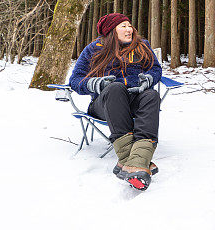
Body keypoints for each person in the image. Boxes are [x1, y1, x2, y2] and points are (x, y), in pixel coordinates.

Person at [69, 13, 162, 191]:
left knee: (151, 96)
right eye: (123, 26)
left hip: (135, 99)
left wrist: (148, 79)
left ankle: (135, 163)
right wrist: (94, 84)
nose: (129, 29)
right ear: (111, 31)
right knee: (115, 88)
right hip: (104, 103)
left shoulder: (142, 46)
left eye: (130, 25)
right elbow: (75, 80)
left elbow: (155, 69)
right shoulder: (93, 49)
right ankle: (136, 162)